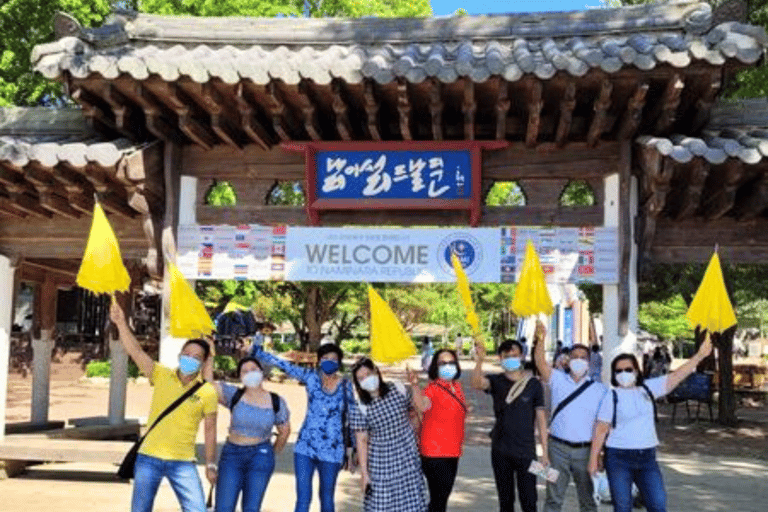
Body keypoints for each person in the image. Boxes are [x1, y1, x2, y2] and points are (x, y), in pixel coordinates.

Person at [110, 301, 218, 512]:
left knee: (197, 508)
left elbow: (211, 430)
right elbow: (136, 352)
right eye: (187, 354)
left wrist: (211, 464)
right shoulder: (162, 375)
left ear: (204, 363)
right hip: (149, 457)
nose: (190, 359)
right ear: (179, 356)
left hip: (183, 462)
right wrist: (121, 323)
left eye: (197, 357)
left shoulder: (207, 392)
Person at [587, 334, 713, 512]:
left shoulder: (647, 389)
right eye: (619, 371)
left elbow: (676, 377)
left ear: (636, 371)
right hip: (618, 458)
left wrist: (699, 356)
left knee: (658, 503)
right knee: (622, 506)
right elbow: (601, 429)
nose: (624, 374)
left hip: (647, 457)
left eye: (628, 370)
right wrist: (593, 460)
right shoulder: (611, 396)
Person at [252, 343, 354, 512]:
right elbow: (284, 365)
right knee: (302, 499)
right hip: (305, 447)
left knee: (327, 499)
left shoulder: (345, 385)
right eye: (325, 358)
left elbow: (353, 416)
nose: (329, 362)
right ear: (319, 360)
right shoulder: (310, 377)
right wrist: (258, 352)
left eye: (334, 359)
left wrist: (352, 449)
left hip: (332, 450)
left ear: (339, 363)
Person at [533, 322, 607, 512]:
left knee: (589, 501)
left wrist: (598, 455)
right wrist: (540, 338)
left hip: (586, 452)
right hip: (556, 449)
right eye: (575, 357)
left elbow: (603, 426)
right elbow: (540, 362)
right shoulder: (557, 379)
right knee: (553, 499)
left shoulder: (600, 390)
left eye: (583, 358)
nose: (579, 361)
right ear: (567, 359)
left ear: (589, 362)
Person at [203, 357, 291, 512]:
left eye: (254, 369)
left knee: (251, 508)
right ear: (240, 377)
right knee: (224, 507)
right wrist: (210, 357)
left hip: (261, 457)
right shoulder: (234, 395)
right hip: (232, 455)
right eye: (245, 371)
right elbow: (209, 385)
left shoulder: (276, 401)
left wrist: (270, 453)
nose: (250, 373)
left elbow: (284, 431)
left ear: (262, 372)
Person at [472, 337, 548, 512]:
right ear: (500, 358)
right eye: (507, 356)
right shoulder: (496, 380)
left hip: (527, 451)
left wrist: (545, 452)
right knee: (505, 501)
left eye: (515, 355)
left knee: (529, 500)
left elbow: (541, 420)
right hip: (500, 449)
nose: (512, 358)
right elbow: (476, 383)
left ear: (522, 356)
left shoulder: (533, 384)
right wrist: (480, 360)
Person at [350, 357, 427, 512]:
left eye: (368, 374)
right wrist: (364, 474)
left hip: (407, 458)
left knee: (411, 505)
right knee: (382, 505)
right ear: (357, 383)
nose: (366, 379)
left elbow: (420, 408)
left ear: (376, 372)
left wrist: (414, 385)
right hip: (381, 464)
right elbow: (362, 440)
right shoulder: (360, 407)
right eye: (361, 378)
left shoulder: (397, 388)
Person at [407, 349, 467, 512]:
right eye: (442, 363)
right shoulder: (432, 388)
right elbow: (422, 405)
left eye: (451, 363)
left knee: (441, 500)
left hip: (453, 451)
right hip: (434, 452)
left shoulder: (457, 387)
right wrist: (414, 385)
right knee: (438, 501)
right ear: (435, 366)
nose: (448, 366)